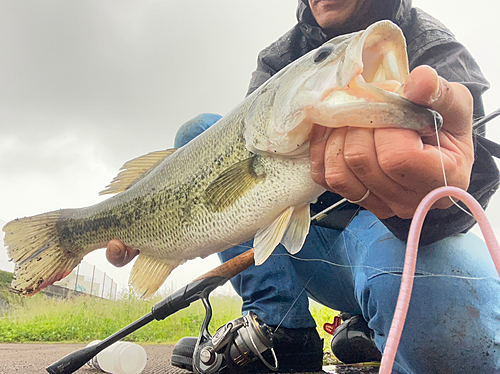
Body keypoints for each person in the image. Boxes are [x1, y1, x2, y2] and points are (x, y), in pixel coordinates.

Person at [106, 0, 500, 373]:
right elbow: (247, 163)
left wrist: (436, 196)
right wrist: (158, 227)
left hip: (393, 240)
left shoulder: (434, 45)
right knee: (199, 131)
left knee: (463, 346)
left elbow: (470, 188)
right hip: (308, 242)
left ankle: (365, 320)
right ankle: (279, 329)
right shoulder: (279, 57)